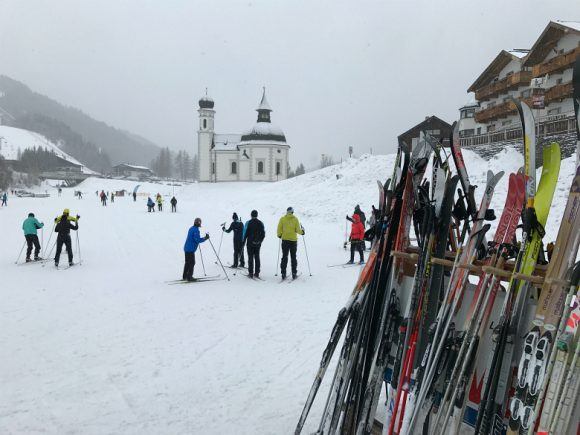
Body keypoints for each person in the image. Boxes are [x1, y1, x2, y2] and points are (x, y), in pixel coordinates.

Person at [277, 207, 305, 279]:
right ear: (292, 212)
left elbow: (279, 228)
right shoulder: (295, 219)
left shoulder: (282, 219)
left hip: (285, 240)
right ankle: (294, 273)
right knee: (293, 257)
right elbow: (298, 230)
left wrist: (279, 235)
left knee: (284, 257)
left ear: (287, 212)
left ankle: (283, 273)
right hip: (293, 241)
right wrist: (302, 232)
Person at [243, 210, 265, 278]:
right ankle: (257, 273)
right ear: (257, 215)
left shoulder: (248, 222)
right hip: (258, 243)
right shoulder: (261, 223)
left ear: (251, 215)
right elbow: (263, 234)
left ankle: (251, 273)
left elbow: (245, 233)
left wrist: (243, 241)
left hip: (250, 243)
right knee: (257, 257)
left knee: (250, 257)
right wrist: (260, 241)